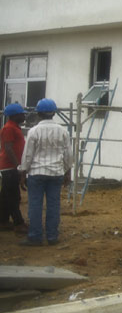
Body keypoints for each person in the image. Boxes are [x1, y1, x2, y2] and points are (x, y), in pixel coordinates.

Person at [19, 98, 72, 246]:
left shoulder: (33, 131)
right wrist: (68, 172)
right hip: (56, 173)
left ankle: (35, 237)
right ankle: (52, 236)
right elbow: (68, 155)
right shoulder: (63, 131)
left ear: (38, 113)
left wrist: (23, 173)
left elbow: (28, 155)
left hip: (36, 173)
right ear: (54, 113)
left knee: (35, 205)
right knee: (54, 205)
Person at [0, 103, 27, 233]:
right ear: (15, 115)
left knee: (6, 196)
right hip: (9, 167)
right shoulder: (9, 128)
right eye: (22, 113)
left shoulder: (14, 127)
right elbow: (8, 148)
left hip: (10, 166)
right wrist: (18, 167)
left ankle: (3, 221)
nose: (24, 115)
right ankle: (18, 223)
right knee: (13, 196)